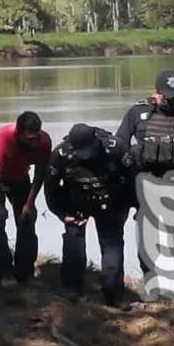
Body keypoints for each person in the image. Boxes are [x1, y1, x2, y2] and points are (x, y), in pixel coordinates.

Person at [44, 123, 135, 306]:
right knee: (73, 242)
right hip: (76, 204)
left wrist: (130, 206)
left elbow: (133, 179)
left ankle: (114, 293)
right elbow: (51, 189)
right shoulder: (61, 154)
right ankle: (73, 290)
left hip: (111, 204)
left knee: (112, 246)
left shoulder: (115, 148)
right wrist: (62, 214)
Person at [0, 111, 51, 286]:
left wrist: (30, 203)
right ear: (18, 133)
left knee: (27, 219)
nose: (33, 143)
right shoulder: (3, 139)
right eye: (28, 139)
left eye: (35, 138)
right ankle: (4, 270)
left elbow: (40, 172)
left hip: (20, 177)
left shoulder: (43, 142)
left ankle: (25, 270)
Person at [115, 70, 174, 178]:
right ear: (156, 93)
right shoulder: (137, 112)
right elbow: (120, 143)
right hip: (142, 179)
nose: (172, 101)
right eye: (168, 98)